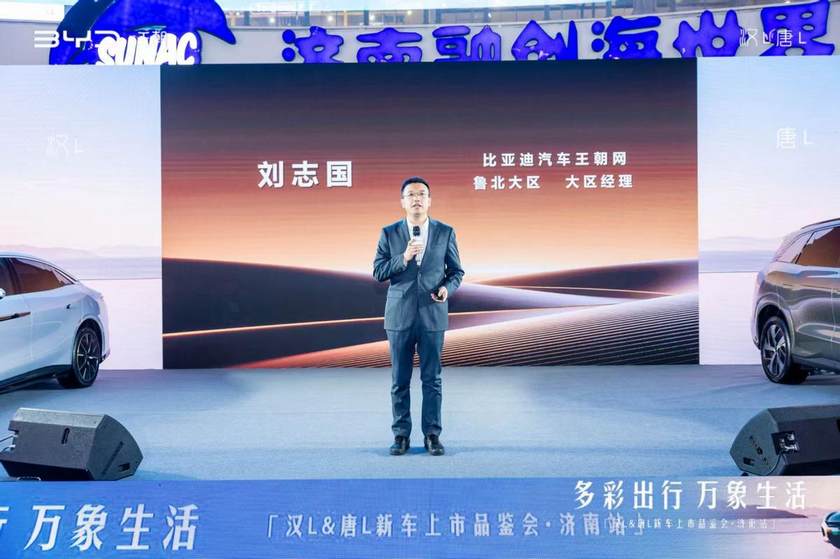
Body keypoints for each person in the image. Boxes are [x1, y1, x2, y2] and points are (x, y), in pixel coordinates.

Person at [373, 177, 464, 456]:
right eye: (411, 195)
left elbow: (456, 272)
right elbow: (378, 272)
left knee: (432, 379)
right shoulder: (389, 233)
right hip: (399, 317)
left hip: (432, 315)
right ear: (403, 202)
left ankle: (432, 435)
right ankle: (400, 435)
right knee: (399, 380)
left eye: (422, 194)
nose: (417, 199)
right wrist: (403, 257)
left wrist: (447, 289)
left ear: (429, 200)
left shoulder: (445, 232)